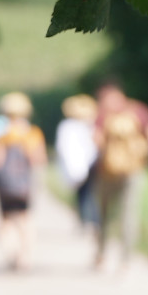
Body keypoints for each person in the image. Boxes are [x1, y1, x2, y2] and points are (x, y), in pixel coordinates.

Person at [92, 81, 148, 270]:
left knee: (106, 215)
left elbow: (96, 140)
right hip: (131, 171)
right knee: (126, 215)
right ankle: (123, 259)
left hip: (109, 172)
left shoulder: (103, 115)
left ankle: (104, 255)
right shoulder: (139, 110)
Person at [0, 92, 47, 269]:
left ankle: (10, 254)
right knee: (25, 219)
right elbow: (39, 159)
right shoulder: (32, 133)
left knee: (5, 220)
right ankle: (24, 256)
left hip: (4, 184)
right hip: (25, 185)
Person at [55, 93, 99, 230]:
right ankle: (86, 220)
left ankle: (89, 220)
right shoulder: (69, 127)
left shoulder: (87, 126)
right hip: (78, 167)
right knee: (85, 195)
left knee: (89, 194)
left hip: (90, 165)